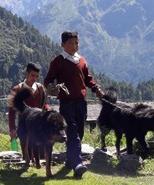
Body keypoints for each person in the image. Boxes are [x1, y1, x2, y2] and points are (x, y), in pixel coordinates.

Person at [44, 30, 104, 178]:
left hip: (81, 103)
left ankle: (70, 161)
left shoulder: (81, 60)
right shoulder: (57, 61)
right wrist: (53, 87)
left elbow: (88, 79)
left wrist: (96, 89)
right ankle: (78, 163)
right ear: (63, 45)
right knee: (72, 133)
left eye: (76, 43)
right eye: (70, 43)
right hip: (66, 103)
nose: (74, 46)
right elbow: (48, 80)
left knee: (80, 133)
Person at [8, 62, 50, 160]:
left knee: (41, 154)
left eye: (36, 76)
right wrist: (12, 130)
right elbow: (12, 112)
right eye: (32, 75)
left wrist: (48, 111)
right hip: (24, 126)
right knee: (28, 154)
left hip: (39, 126)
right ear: (26, 73)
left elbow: (44, 103)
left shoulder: (40, 88)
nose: (34, 79)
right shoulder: (18, 89)